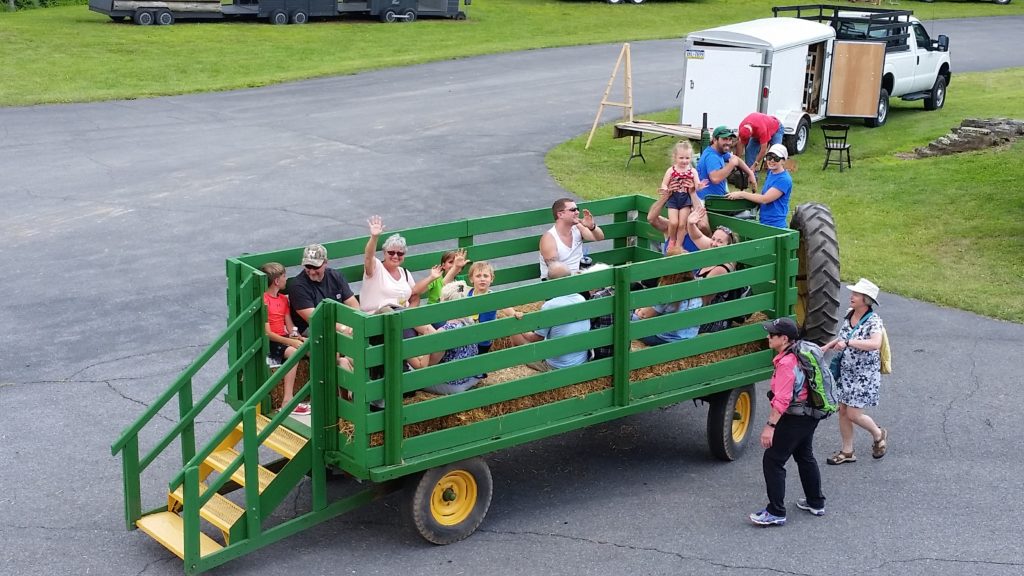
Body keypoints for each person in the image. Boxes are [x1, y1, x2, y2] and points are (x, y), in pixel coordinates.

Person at [750, 317, 827, 526]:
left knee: (773, 460)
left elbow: (782, 400)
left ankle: (776, 511)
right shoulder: (802, 350)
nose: (768, 337)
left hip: (795, 418)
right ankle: (816, 502)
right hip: (811, 414)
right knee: (804, 455)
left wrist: (770, 427)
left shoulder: (786, 363)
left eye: (771, 334)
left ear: (784, 339)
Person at [821, 278, 888, 464]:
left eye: (856, 294)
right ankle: (847, 451)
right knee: (842, 410)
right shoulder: (850, 314)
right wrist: (826, 347)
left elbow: (875, 343)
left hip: (864, 375)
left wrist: (850, 343)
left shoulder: (874, 321)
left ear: (865, 300)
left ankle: (878, 433)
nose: (851, 296)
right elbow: (843, 337)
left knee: (853, 414)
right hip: (847, 372)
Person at [360, 216, 439, 336]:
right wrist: (374, 237)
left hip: (403, 317)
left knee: (430, 329)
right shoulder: (376, 268)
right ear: (384, 253)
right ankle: (436, 340)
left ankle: (439, 342)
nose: (395, 256)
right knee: (414, 332)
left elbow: (414, 295)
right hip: (379, 319)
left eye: (400, 253)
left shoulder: (404, 272)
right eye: (391, 252)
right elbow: (368, 256)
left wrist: (409, 313)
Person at [287, 244, 357, 372]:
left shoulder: (335, 276)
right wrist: (343, 328)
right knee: (334, 345)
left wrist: (352, 324)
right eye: (308, 266)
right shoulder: (298, 286)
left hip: (338, 325)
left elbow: (353, 303)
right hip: (313, 329)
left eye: (316, 266)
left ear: (325, 263)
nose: (312, 271)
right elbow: (315, 319)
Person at [515, 262, 591, 371]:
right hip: (581, 361)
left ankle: (515, 365)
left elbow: (536, 338)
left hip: (557, 366)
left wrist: (520, 327)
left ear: (551, 282)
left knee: (516, 336)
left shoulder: (550, 306)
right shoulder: (581, 298)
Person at [261, 262, 308, 415]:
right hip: (272, 342)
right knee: (294, 352)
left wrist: (297, 336)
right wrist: (291, 341)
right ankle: (287, 400)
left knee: (310, 345)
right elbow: (267, 333)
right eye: (284, 277)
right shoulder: (264, 300)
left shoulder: (283, 299)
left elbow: (289, 326)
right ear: (276, 281)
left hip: (284, 338)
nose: (286, 280)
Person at [423, 281, 482, 395]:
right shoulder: (471, 323)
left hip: (452, 384)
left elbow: (430, 364)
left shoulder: (444, 331)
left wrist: (426, 344)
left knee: (411, 376)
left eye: (441, 300)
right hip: (470, 377)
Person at [630, 254, 702, 346]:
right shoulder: (696, 286)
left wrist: (638, 310)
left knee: (628, 318)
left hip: (666, 339)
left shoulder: (668, 290)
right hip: (690, 336)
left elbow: (645, 315)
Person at [726, 143, 793, 229]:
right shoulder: (771, 172)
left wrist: (741, 194)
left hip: (775, 226)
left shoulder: (784, 180)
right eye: (769, 157)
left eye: (776, 158)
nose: (771, 161)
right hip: (764, 222)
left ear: (783, 161)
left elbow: (765, 199)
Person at [538, 198, 605, 279]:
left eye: (577, 209)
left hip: (580, 278)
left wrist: (592, 226)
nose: (577, 212)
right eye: (573, 210)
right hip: (559, 284)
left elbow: (599, 237)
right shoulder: (549, 238)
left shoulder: (578, 228)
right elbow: (555, 271)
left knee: (603, 270)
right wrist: (575, 276)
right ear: (560, 214)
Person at [467, 260, 523, 355]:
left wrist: (514, 313)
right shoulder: (468, 293)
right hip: (468, 337)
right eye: (478, 276)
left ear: (491, 279)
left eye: (486, 276)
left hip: (484, 340)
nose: (482, 279)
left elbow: (505, 307)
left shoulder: (493, 297)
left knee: (480, 360)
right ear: (471, 279)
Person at [659, 141, 704, 251]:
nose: (684, 161)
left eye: (687, 158)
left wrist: (700, 186)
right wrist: (665, 189)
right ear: (675, 157)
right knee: (673, 222)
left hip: (685, 199)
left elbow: (697, 185)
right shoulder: (671, 170)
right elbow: (664, 183)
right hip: (674, 198)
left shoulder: (692, 171)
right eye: (681, 158)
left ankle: (678, 245)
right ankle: (672, 240)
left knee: (682, 224)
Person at [696, 125, 758, 201]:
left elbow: (736, 159)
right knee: (747, 210)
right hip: (709, 202)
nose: (728, 142)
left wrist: (750, 173)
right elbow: (715, 178)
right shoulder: (712, 157)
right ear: (715, 140)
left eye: (730, 139)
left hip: (716, 199)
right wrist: (731, 164)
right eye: (724, 139)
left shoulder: (718, 151)